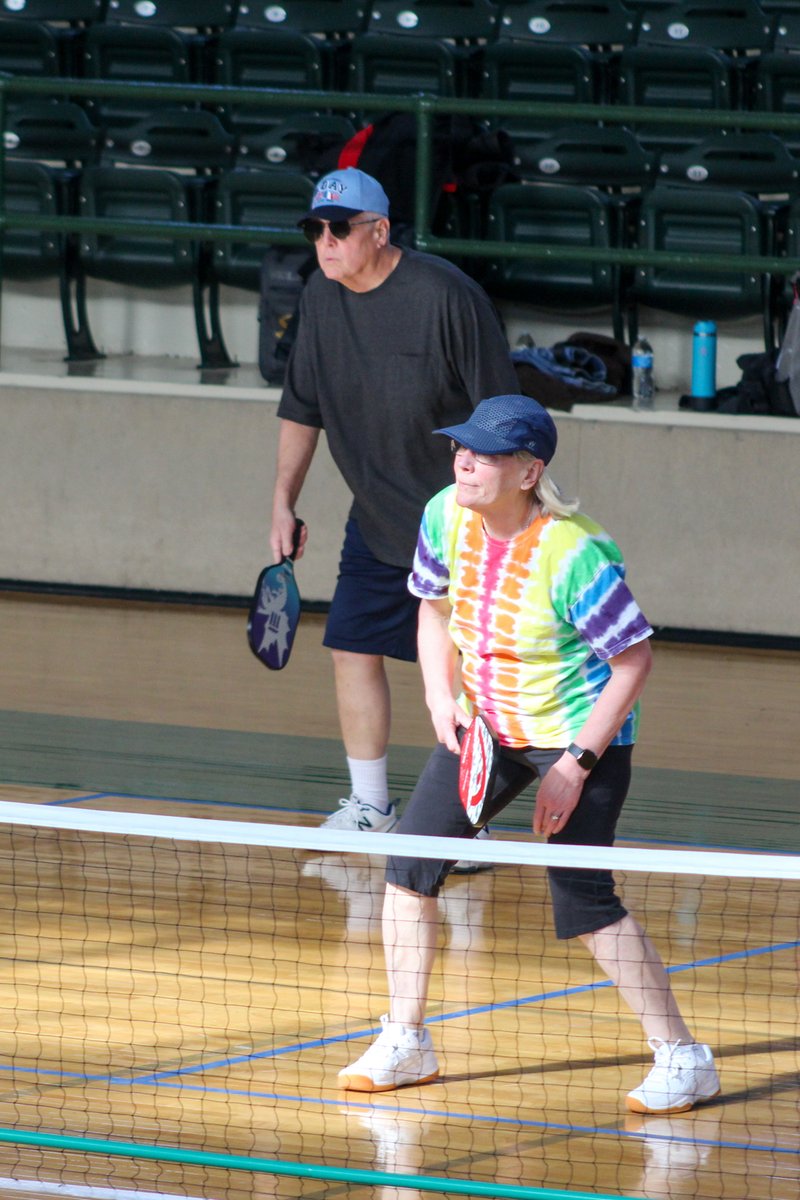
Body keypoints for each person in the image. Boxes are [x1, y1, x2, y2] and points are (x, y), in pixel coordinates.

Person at [336, 393, 721, 1115]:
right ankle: (407, 1039)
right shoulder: (444, 514)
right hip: (485, 725)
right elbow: (431, 606)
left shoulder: (571, 554)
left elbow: (634, 660)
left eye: (483, 453)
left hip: (578, 732)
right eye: (460, 448)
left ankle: (683, 1058)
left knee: (584, 900)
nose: (464, 460)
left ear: (527, 471)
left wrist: (575, 764)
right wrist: (438, 696)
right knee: (408, 870)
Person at [269, 167, 519, 856]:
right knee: (351, 648)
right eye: (315, 229)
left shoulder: (445, 297)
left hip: (459, 521)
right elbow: (302, 407)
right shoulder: (321, 297)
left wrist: (500, 514)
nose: (325, 241)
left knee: (471, 669)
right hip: (375, 515)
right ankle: (371, 804)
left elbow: (505, 414)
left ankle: (472, 818)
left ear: (379, 232)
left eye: (339, 229)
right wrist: (283, 503)